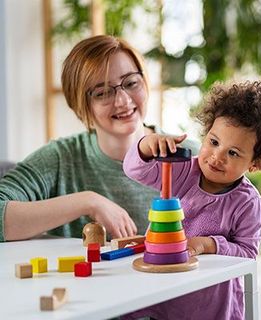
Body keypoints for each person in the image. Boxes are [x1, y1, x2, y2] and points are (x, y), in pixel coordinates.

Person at [123, 80, 261, 320]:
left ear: (255, 164)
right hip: (163, 288)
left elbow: (247, 255)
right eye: (214, 142)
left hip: (210, 303)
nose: (217, 157)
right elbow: (135, 170)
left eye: (233, 153)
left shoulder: (248, 204)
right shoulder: (184, 172)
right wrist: (145, 147)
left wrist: (209, 245)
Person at [0, 35, 197, 242]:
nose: (123, 101)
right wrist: (87, 201)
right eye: (102, 93)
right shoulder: (60, 159)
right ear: (80, 105)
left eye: (131, 83)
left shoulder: (192, 156)